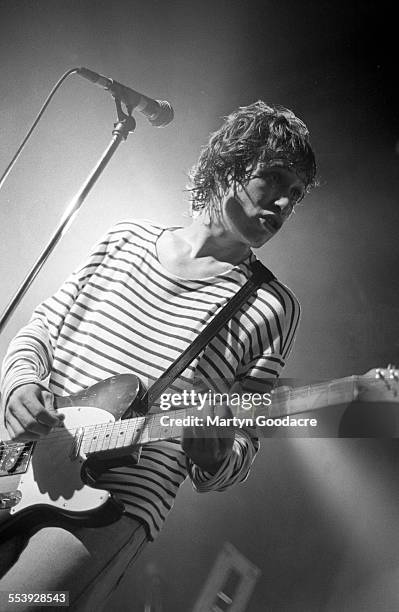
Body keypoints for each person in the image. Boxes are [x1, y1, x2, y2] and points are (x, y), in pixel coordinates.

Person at [0, 101, 317, 610]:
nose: (283, 204)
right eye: (274, 179)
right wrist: (19, 384)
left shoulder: (271, 307)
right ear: (227, 166)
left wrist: (213, 451)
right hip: (17, 463)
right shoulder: (124, 239)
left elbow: (240, 450)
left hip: (115, 504)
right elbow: (39, 331)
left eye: (296, 195)